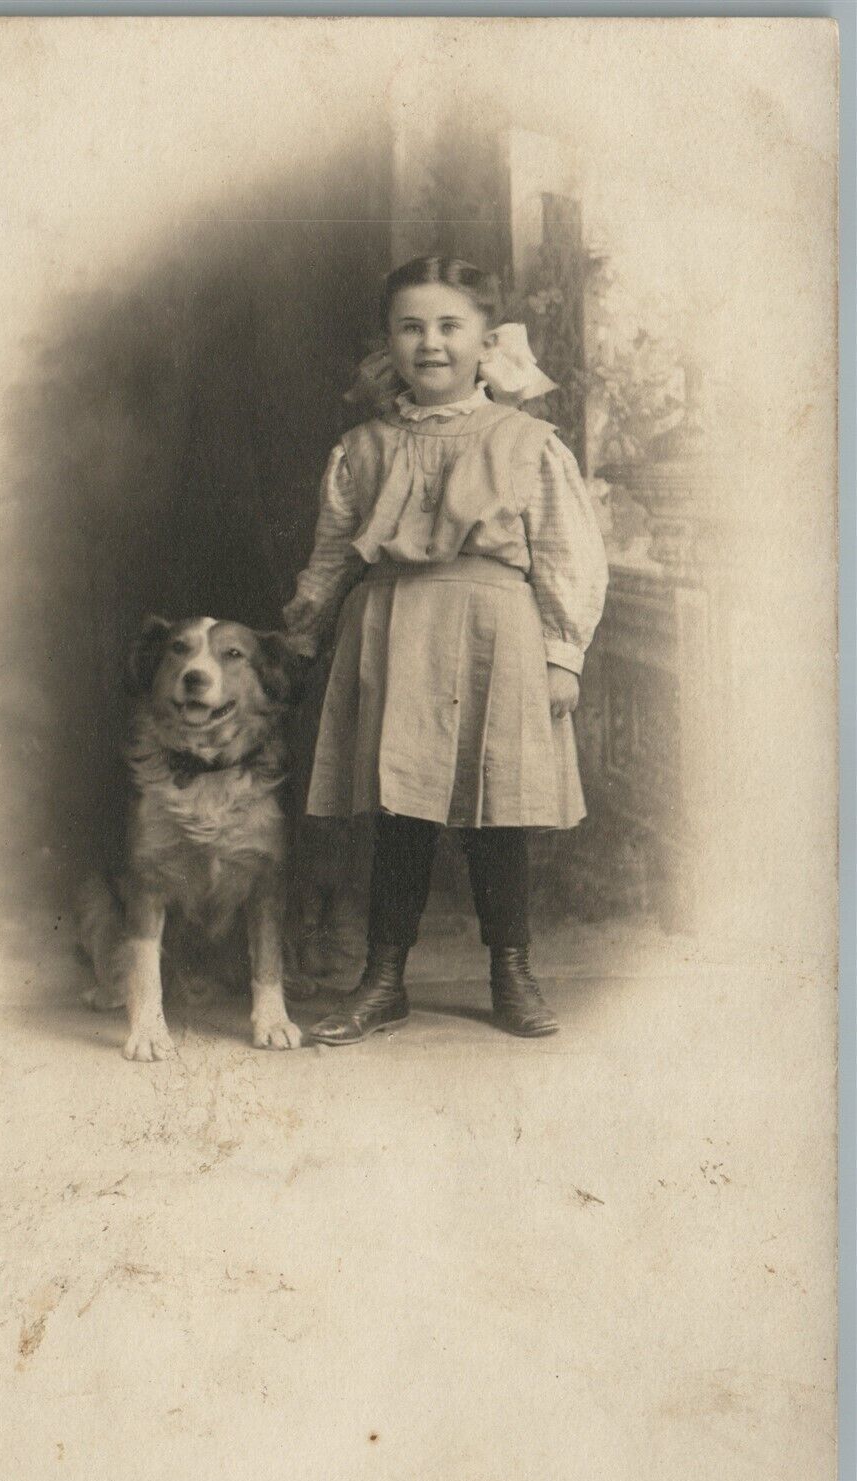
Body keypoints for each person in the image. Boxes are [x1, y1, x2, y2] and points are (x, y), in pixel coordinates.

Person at [283, 256, 608, 1044]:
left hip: (496, 635)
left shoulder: (526, 441)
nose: (430, 343)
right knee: (400, 811)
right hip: (391, 631)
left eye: (448, 325)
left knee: (496, 813)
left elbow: (569, 551)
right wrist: (298, 637)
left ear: (483, 340)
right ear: (388, 341)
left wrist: (562, 652)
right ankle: (383, 979)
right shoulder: (361, 447)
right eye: (410, 326)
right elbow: (332, 554)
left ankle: (511, 972)